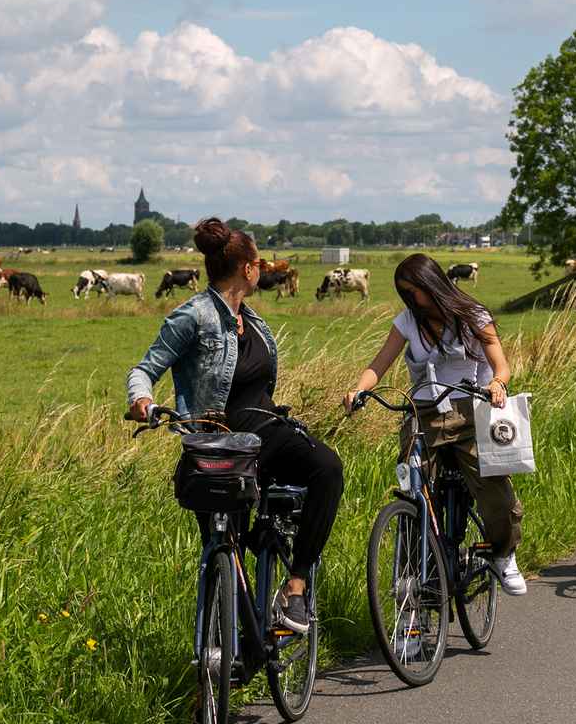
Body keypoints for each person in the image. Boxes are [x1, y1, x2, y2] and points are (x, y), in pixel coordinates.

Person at [126, 218, 344, 632]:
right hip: (218, 447)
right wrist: (143, 400)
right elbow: (144, 368)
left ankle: (295, 589)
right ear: (248, 269)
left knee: (327, 469)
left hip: (269, 434)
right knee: (224, 547)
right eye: (259, 262)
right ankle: (228, 654)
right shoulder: (193, 316)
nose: (262, 269)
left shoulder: (254, 319)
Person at [344, 254, 526, 594]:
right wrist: (359, 389)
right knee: (413, 491)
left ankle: (502, 553)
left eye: (415, 291)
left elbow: (501, 365)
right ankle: (414, 578)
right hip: (423, 414)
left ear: (433, 284)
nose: (412, 299)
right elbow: (380, 363)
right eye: (405, 293)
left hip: (471, 411)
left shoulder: (473, 316)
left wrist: (497, 385)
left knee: (495, 490)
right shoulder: (407, 322)